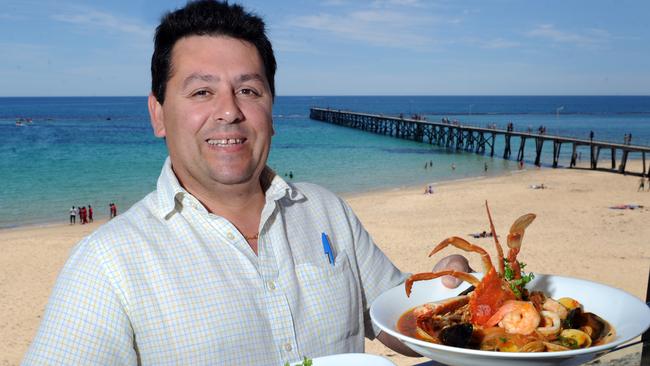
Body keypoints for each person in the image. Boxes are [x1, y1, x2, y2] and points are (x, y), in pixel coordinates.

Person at [23, 2, 469, 365]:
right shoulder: (108, 262)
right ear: (158, 113)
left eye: (249, 91)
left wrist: (455, 292)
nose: (230, 111)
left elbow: (402, 324)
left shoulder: (325, 210)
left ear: (271, 110)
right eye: (201, 92)